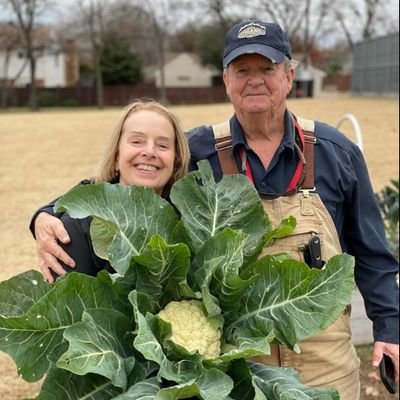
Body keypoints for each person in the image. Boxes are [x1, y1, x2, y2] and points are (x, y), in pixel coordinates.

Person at [30, 20, 398, 399]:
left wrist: (389, 328)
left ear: (289, 76)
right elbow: (123, 181)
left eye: (266, 69)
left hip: (324, 357)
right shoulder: (197, 150)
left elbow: (371, 253)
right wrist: (45, 213)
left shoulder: (335, 152)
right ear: (226, 81)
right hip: (239, 369)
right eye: (242, 70)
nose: (254, 80)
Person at [31, 99, 190, 281]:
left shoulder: (189, 222)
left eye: (162, 145)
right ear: (116, 156)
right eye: (137, 141)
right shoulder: (75, 228)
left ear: (176, 161)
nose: (150, 152)